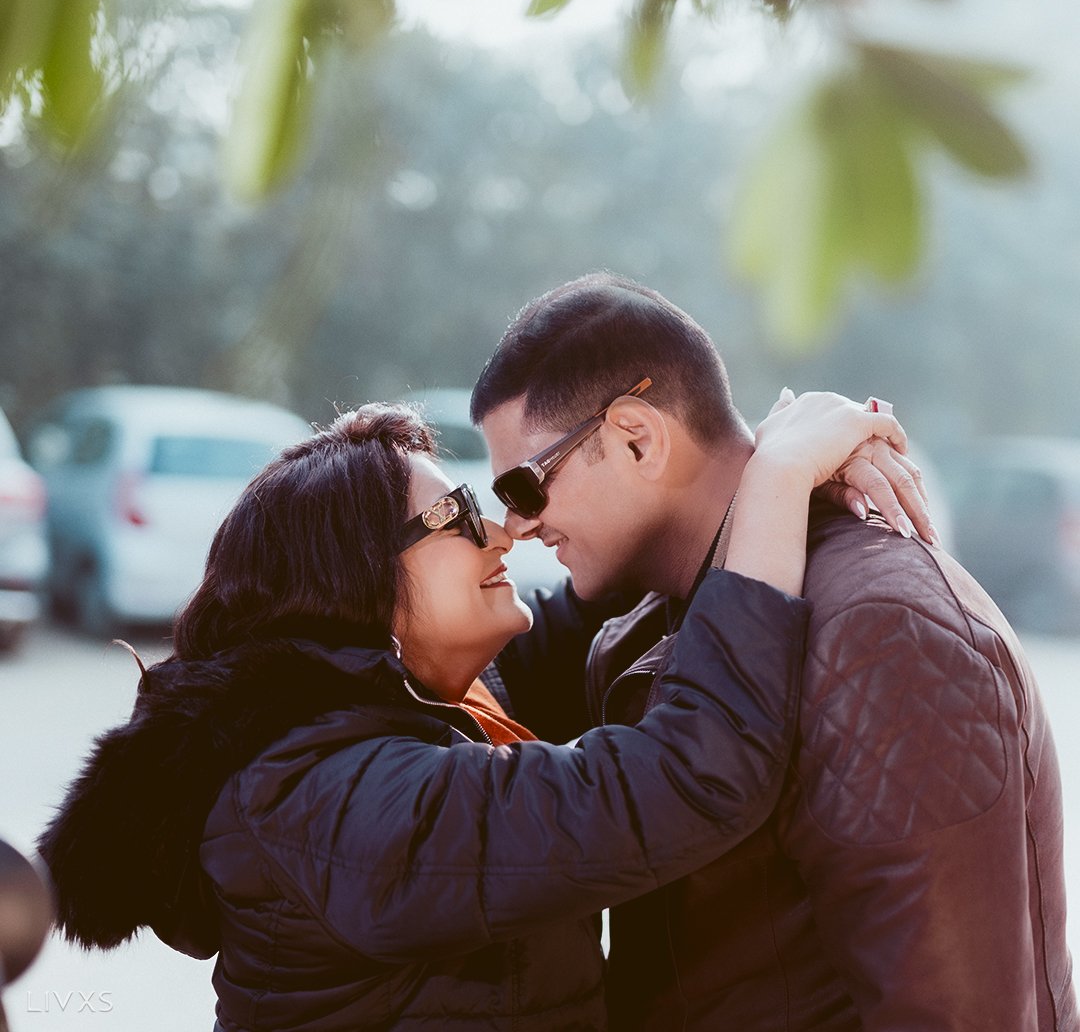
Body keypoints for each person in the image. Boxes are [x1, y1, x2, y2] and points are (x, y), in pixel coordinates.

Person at [37, 396, 914, 1032]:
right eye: (454, 515)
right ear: (355, 577)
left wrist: (740, 469)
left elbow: (604, 605)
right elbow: (692, 774)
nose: (501, 533)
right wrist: (777, 479)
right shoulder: (335, 803)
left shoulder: (419, 704)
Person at [472, 272, 1078, 1032]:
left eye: (525, 487)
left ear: (637, 438)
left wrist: (787, 466)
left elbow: (954, 1015)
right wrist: (785, 465)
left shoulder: (881, 630)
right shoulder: (659, 604)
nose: (516, 526)